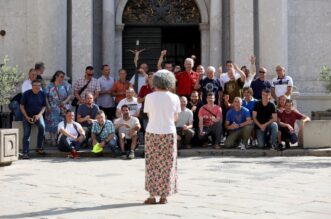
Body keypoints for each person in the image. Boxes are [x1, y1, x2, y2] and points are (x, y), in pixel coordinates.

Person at [143, 69, 180, 205]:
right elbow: (176, 117)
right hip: (169, 132)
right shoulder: (175, 97)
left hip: (152, 131)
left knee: (152, 164)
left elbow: (148, 115)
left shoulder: (149, 97)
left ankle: (152, 195)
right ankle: (164, 195)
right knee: (168, 164)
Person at [20, 80, 46, 159]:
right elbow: (21, 106)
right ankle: (25, 152)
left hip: (37, 116)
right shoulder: (26, 94)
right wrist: (26, 117)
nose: (38, 87)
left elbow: (44, 106)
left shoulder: (42, 94)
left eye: (39, 86)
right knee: (27, 133)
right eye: (36, 86)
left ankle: (39, 147)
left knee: (42, 127)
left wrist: (39, 115)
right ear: (32, 86)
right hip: (27, 116)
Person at [45, 70, 72, 146]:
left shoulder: (66, 85)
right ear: (56, 77)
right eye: (61, 77)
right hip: (52, 107)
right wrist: (48, 106)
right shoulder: (50, 85)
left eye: (63, 77)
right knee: (52, 123)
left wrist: (65, 101)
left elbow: (70, 95)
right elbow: (46, 97)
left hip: (63, 107)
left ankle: (59, 139)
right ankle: (52, 139)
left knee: (62, 123)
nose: (62, 78)